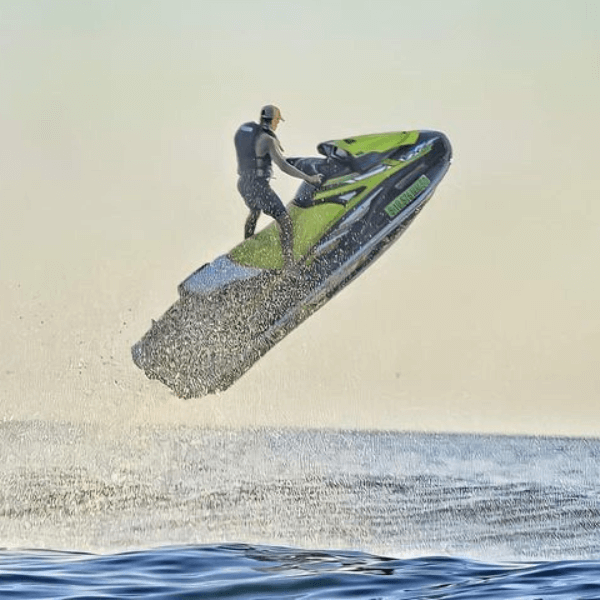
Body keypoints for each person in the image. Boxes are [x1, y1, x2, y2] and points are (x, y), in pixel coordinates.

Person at [234, 105, 322, 269]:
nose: (277, 125)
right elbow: (283, 166)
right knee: (285, 221)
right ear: (274, 120)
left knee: (254, 212)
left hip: (243, 184)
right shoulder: (268, 139)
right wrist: (309, 178)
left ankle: (245, 250)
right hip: (258, 186)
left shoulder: (251, 134)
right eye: (277, 121)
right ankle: (289, 265)